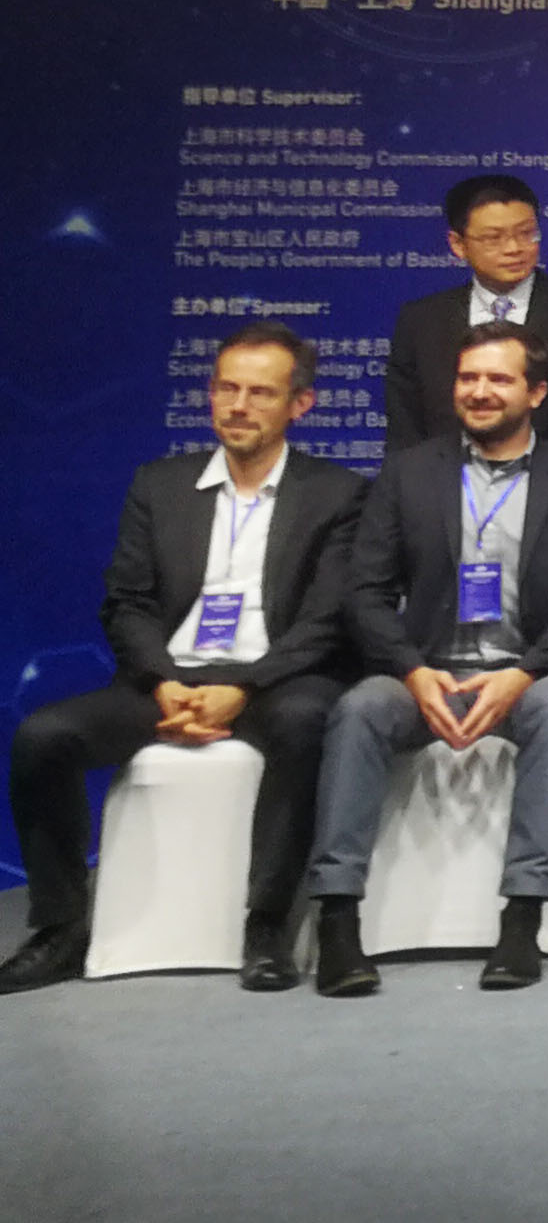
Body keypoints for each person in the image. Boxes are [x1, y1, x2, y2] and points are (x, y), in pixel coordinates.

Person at [1, 323, 365, 995]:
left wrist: (244, 686)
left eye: (260, 393)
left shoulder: (338, 493)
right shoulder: (160, 484)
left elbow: (328, 618)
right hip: (167, 681)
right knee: (42, 737)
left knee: (306, 722)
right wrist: (164, 682)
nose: (238, 405)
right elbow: (127, 601)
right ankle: (60, 927)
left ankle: (266, 924)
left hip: (278, 679)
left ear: (300, 405)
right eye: (227, 388)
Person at [307, 320, 548, 996]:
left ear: (536, 392)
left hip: (532, 670)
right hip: (426, 670)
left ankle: (522, 919)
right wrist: (412, 671)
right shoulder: (408, 472)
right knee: (358, 709)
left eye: (499, 379)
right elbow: (365, 592)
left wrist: (524, 672)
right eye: (468, 377)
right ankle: (337, 918)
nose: (480, 392)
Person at [381, 173, 548, 454]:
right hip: (443, 474)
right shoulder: (421, 320)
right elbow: (404, 428)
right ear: (458, 244)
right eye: (493, 238)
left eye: (527, 233)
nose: (514, 248)